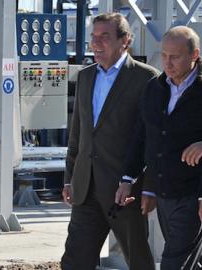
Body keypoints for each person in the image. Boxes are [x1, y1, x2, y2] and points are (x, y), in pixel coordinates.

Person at [61, 13, 159, 270]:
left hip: (124, 193)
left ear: (125, 41)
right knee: (74, 261)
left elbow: (152, 140)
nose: (96, 43)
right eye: (94, 37)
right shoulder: (85, 77)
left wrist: (146, 186)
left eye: (104, 37)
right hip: (86, 190)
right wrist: (70, 177)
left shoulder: (146, 78)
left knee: (138, 260)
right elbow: (78, 134)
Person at [116, 26, 202, 270]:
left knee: (173, 263)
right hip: (165, 192)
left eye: (175, 56)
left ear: (194, 55)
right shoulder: (155, 88)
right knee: (187, 261)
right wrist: (129, 179)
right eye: (164, 55)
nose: (167, 62)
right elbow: (142, 137)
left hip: (194, 195)